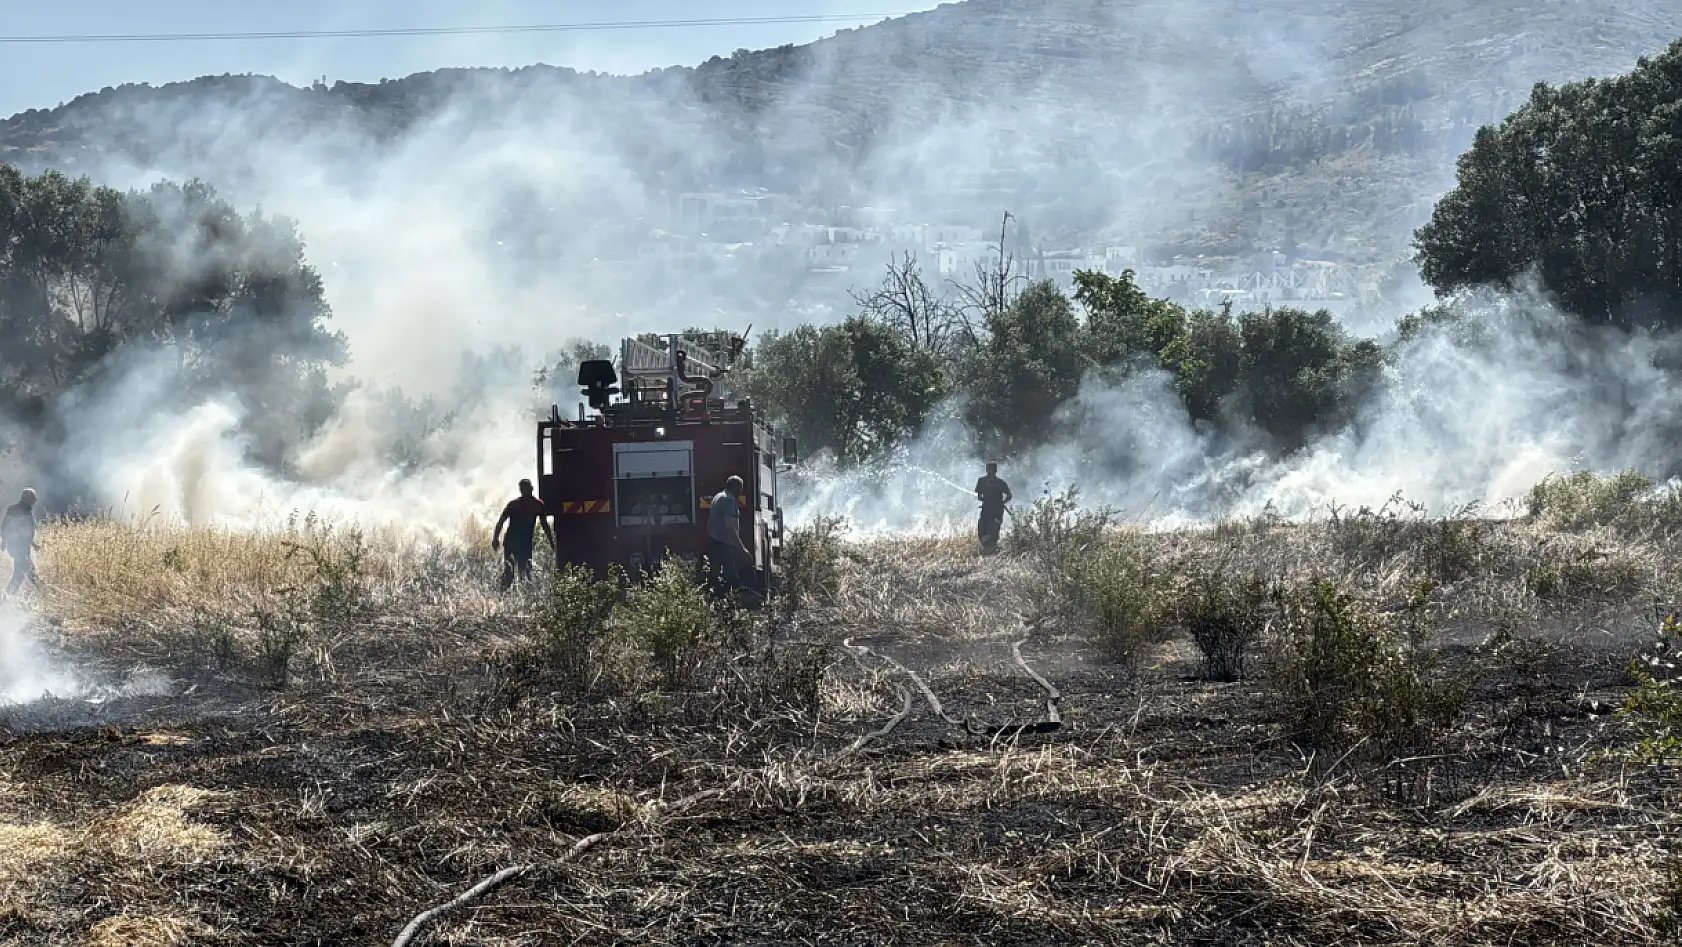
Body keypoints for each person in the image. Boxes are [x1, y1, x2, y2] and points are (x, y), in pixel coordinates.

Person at [493, 479, 553, 590]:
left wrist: (551, 541)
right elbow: (501, 522)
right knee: (509, 572)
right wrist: (495, 538)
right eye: (523, 490)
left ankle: (525, 596)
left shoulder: (538, 505)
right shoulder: (513, 505)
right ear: (520, 491)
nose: (525, 492)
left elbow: (545, 525)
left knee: (525, 573)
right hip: (511, 542)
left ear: (532, 489)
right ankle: (501, 594)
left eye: (527, 489)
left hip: (525, 544)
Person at [707, 475, 751, 593]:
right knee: (731, 574)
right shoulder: (728, 500)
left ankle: (712, 596)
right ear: (737, 488)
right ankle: (736, 597)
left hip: (714, 540)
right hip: (723, 542)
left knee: (715, 572)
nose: (741, 491)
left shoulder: (718, 496)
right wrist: (742, 549)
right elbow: (730, 527)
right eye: (741, 488)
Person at [2, 488, 39, 597]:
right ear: (27, 499)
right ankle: (44, 592)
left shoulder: (24, 510)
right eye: (33, 498)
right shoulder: (16, 510)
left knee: (20, 575)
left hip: (22, 548)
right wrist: (4, 540)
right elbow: (6, 526)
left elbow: (25, 531)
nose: (34, 501)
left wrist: (33, 544)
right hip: (19, 549)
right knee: (29, 572)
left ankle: (6, 597)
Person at [975, 463, 1012, 554]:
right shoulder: (996, 482)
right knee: (985, 529)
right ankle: (989, 548)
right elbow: (1009, 496)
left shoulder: (984, 481)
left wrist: (1000, 503)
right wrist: (1001, 503)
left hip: (994, 510)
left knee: (992, 530)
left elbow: (979, 497)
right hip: (990, 509)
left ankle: (992, 549)